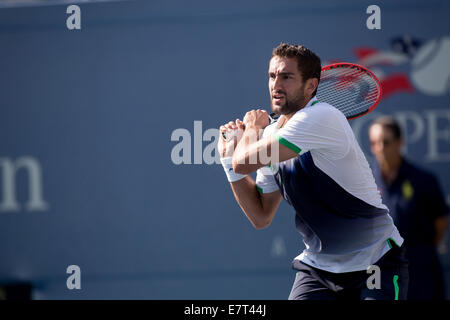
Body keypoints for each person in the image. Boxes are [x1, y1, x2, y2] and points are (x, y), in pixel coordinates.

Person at [218, 43, 409, 300]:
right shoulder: (272, 135)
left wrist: (250, 129)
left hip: (376, 262)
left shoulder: (322, 117)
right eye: (272, 76)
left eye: (287, 77)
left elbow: (244, 162)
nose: (276, 84)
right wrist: (228, 160)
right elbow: (261, 215)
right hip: (319, 270)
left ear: (310, 86)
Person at [368, 116, 449, 300]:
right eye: (374, 143)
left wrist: (418, 252)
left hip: (421, 269)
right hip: (380, 272)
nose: (379, 148)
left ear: (399, 143)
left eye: (385, 142)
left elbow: (441, 223)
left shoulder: (424, 180)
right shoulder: (364, 183)